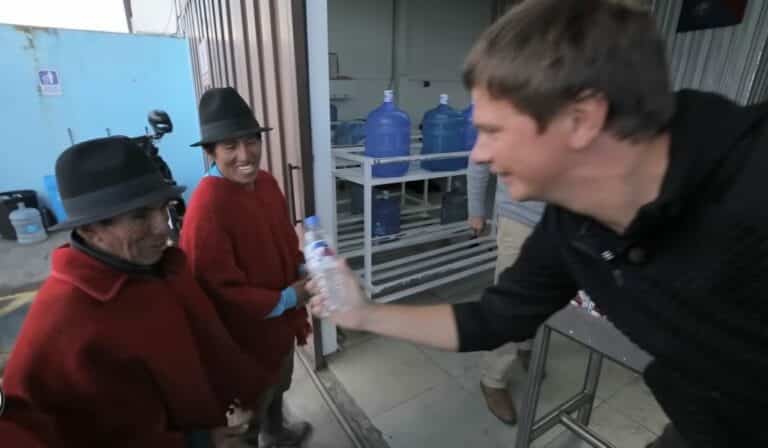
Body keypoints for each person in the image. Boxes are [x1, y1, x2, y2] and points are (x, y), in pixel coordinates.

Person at [308, 0, 768, 446]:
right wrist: (364, 313)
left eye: (493, 130)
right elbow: (491, 318)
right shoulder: (572, 226)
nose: (480, 155)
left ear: (580, 119)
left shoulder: (750, 179)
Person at [3, 136, 272, 447]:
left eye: (163, 208)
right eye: (140, 216)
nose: (163, 228)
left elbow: (207, 341)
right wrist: (196, 442)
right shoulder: (61, 323)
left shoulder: (164, 265)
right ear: (92, 230)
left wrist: (241, 389)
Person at [180, 87, 312, 448]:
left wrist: (303, 270)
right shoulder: (206, 208)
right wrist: (287, 298)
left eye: (251, 141)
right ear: (210, 153)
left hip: (278, 330)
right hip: (241, 343)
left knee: (279, 385)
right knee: (246, 413)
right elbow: (214, 291)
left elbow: (285, 239)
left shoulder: (266, 183)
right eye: (229, 147)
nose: (245, 155)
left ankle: (278, 433)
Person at [467, 161, 544, 425]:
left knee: (543, 293)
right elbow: (478, 161)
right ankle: (493, 379)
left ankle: (526, 344)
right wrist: (476, 210)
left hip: (560, 218)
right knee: (508, 304)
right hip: (518, 216)